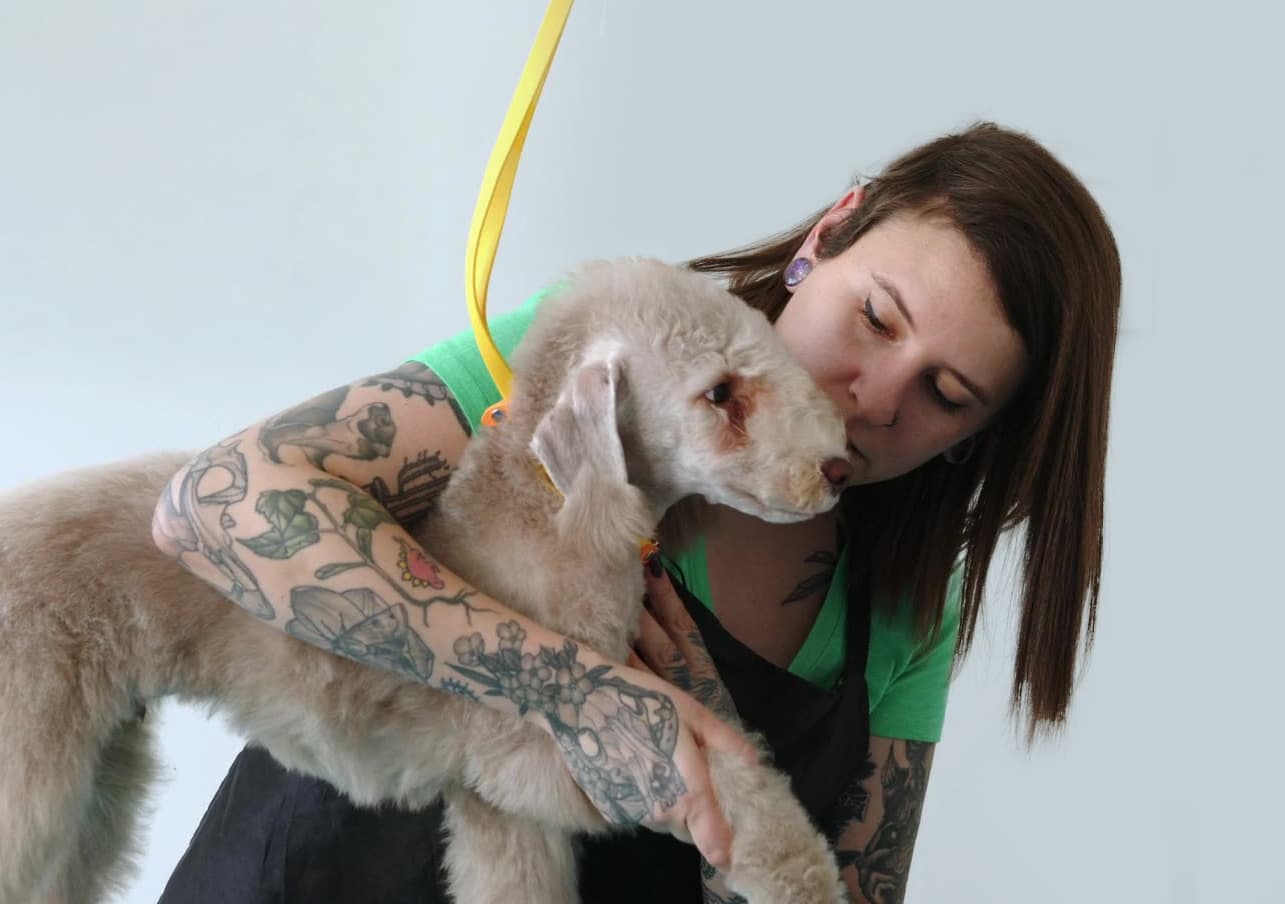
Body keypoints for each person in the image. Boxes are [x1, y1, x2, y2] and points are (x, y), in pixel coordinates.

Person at [152, 121, 1120, 903]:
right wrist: (582, 692)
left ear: (975, 438)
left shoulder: (911, 607)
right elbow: (214, 504)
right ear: (831, 232)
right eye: (874, 316)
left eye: (944, 393)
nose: (873, 396)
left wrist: (711, 750)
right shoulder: (606, 360)